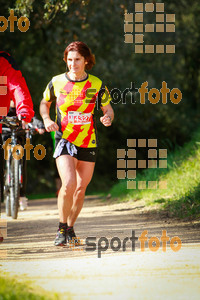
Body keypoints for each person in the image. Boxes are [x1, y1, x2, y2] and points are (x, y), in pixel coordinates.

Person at [40, 41, 114, 246]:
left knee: (81, 189)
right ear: (66, 60)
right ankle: (61, 229)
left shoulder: (97, 84)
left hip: (88, 141)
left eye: (77, 60)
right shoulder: (56, 82)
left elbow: (108, 109)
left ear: (86, 60)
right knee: (69, 183)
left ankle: (70, 228)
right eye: (69, 60)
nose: (73, 64)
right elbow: (44, 103)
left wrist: (107, 117)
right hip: (64, 139)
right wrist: (46, 119)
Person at [0, 51, 34, 212]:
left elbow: (17, 87)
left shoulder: (4, 61)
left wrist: (25, 112)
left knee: (20, 158)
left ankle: (20, 193)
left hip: (10, 126)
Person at [2, 100, 45, 210]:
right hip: (5, 138)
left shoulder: (23, 109)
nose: (13, 101)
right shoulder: (3, 107)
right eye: (11, 98)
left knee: (22, 165)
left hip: (20, 139)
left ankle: (21, 195)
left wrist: (39, 126)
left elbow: (33, 118)